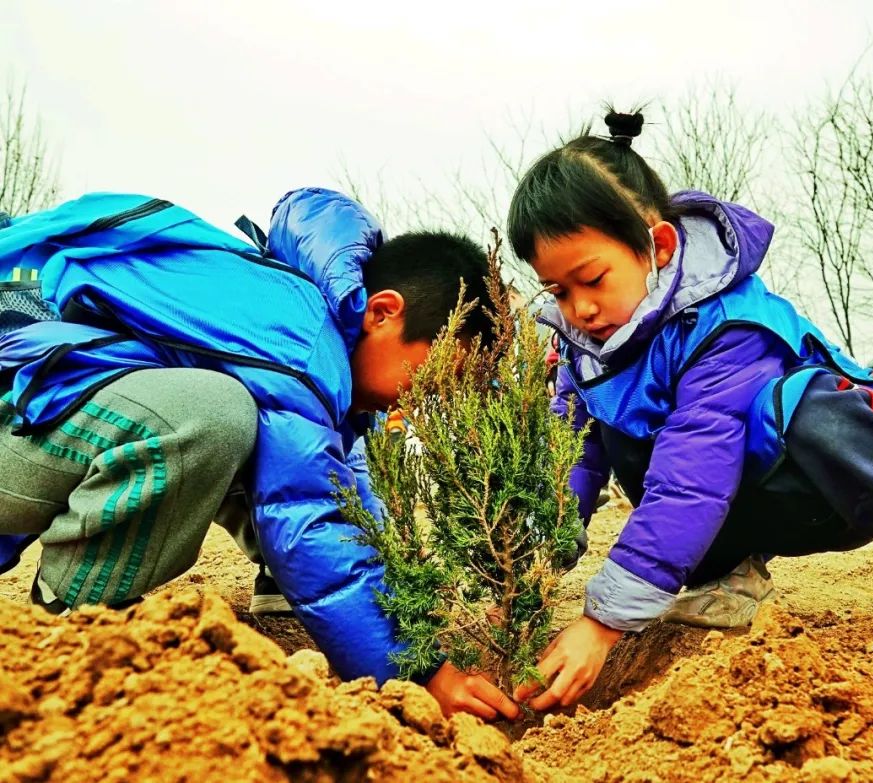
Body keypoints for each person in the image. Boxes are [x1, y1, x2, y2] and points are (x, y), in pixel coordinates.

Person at [507, 110, 873, 711]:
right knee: (617, 434)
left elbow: (692, 474)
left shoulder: (727, 328)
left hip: (828, 482)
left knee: (806, 406)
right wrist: (524, 572)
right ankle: (722, 579)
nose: (581, 309)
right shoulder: (585, 355)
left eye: (592, 279)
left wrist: (604, 622)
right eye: (559, 292)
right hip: (744, 502)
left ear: (660, 248)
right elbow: (568, 466)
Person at [0, 188, 520, 721]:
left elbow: (349, 494)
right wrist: (414, 671)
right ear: (383, 313)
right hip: (14, 417)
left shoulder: (310, 326)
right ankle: (73, 621)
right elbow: (309, 519)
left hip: (38, 416)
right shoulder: (300, 347)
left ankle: (268, 584)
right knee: (216, 415)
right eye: (430, 380)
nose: (419, 403)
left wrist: (411, 603)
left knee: (289, 446)